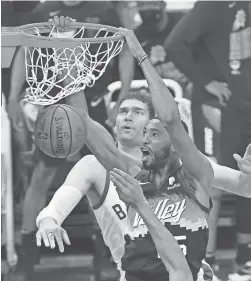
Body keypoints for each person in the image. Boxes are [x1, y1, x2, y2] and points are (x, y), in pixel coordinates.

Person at [37, 21, 251, 281]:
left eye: (138, 113)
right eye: (122, 111)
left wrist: (142, 58)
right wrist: (65, 45)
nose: (126, 117)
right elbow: (81, 119)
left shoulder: (195, 171)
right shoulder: (122, 170)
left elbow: (172, 120)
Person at [7, 3, 134, 279]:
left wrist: (124, 92)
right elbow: (24, 52)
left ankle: (106, 252)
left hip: (93, 101)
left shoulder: (104, 10)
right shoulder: (42, 11)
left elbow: (123, 50)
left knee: (106, 175)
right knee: (42, 175)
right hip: (51, 104)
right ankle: (29, 255)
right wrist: (13, 97)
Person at [164, 2, 251, 280]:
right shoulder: (211, 5)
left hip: (246, 107)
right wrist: (205, 81)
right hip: (218, 106)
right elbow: (174, 45)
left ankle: (245, 258)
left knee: (248, 179)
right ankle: (205, 261)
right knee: (210, 181)